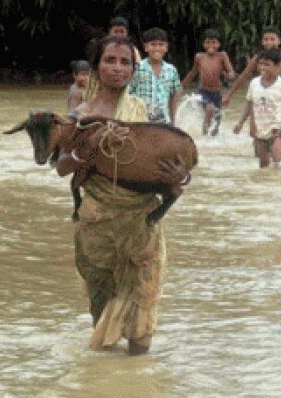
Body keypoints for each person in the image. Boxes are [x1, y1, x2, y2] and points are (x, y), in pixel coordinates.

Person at [56, 35, 188, 356]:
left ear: (133, 69)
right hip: (97, 226)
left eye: (125, 62)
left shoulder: (148, 113)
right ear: (97, 66)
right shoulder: (80, 116)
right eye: (109, 61)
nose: (117, 68)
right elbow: (61, 167)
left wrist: (176, 176)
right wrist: (89, 149)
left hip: (141, 222)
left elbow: (174, 163)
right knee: (102, 315)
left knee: (141, 326)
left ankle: (136, 381)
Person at [233, 48, 281, 168]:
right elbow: (249, 104)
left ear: (277, 66)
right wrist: (241, 123)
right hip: (261, 129)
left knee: (277, 160)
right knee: (264, 165)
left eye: (267, 64)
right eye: (261, 64)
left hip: (278, 129)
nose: (263, 67)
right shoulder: (254, 83)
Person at [180, 28, 236, 136]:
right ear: (203, 44)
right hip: (202, 92)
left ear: (219, 44)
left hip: (216, 94)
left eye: (214, 42)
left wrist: (230, 75)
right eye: (208, 42)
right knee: (210, 109)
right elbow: (193, 72)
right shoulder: (200, 57)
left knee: (216, 126)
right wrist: (181, 86)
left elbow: (231, 71)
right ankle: (204, 135)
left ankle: (209, 144)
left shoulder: (222, 56)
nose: (211, 45)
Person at [129, 27, 181, 124]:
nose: (157, 48)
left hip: (164, 121)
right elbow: (129, 93)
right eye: (153, 44)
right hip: (140, 121)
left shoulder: (172, 70)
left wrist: (173, 121)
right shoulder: (137, 68)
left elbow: (174, 95)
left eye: (161, 45)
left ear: (166, 47)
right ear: (145, 47)